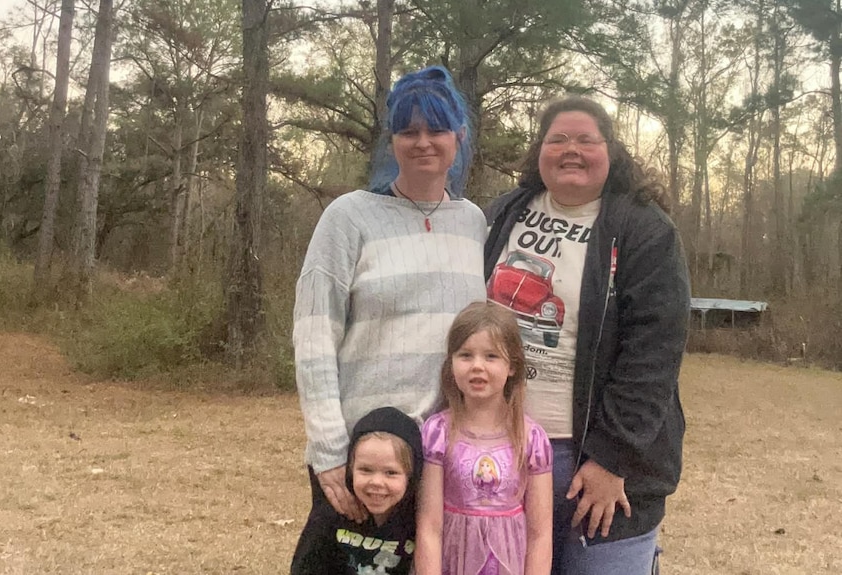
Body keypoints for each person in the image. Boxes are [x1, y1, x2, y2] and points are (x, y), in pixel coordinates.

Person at [290, 65, 487, 574]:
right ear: (392, 140)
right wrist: (329, 451)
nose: (422, 142)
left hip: (442, 458)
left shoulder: (473, 223)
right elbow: (313, 337)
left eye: (436, 129)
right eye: (408, 131)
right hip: (365, 459)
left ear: (460, 136)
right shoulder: (348, 217)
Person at [483, 96, 691, 575]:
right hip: (503, 446)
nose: (570, 150)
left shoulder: (644, 230)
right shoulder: (502, 214)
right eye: (557, 139)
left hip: (592, 460)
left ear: (611, 151)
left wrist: (612, 459)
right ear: (539, 151)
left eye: (585, 140)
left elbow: (653, 356)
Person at [416, 301, 554, 575]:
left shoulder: (532, 439)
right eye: (466, 355)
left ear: (512, 366)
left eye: (491, 356)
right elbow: (429, 527)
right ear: (451, 363)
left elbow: (540, 534)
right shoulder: (438, 433)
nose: (477, 366)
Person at [293, 406, 423, 574]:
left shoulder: (419, 520)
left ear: (411, 476)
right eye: (366, 470)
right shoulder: (331, 515)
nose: (376, 482)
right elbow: (305, 567)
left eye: (391, 473)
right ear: (350, 469)